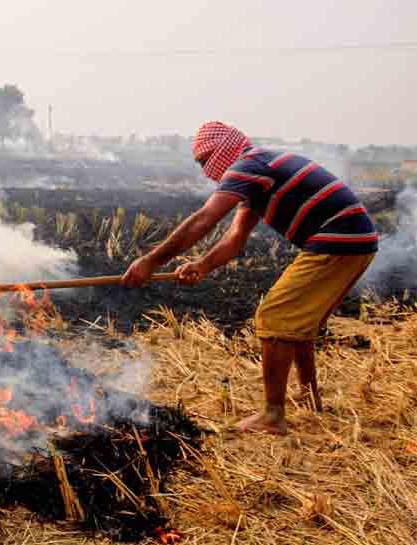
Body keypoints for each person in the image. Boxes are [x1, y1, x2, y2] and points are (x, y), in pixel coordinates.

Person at [122, 121, 378, 435]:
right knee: (300, 323)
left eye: (206, 161)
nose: (206, 171)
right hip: (356, 239)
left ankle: (272, 416)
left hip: (339, 237)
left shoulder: (248, 165)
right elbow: (235, 237)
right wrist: (202, 265)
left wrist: (151, 261)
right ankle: (311, 402)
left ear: (224, 149)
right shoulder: (259, 172)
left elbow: (204, 219)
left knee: (274, 317)